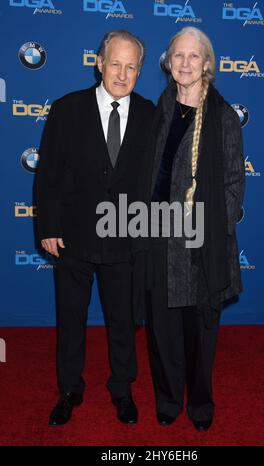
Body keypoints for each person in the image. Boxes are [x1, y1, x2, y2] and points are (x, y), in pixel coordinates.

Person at [35, 30, 155, 426]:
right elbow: (48, 172)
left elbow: (154, 183)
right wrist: (48, 226)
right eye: (115, 63)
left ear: (140, 71)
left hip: (126, 239)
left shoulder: (150, 115)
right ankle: (69, 390)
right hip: (73, 236)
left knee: (123, 322)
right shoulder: (67, 109)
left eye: (131, 66)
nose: (122, 74)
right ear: (99, 63)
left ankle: (123, 389)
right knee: (71, 320)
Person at [146, 27, 245, 431]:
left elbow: (234, 185)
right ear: (169, 64)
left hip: (201, 242)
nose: (185, 64)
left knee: (200, 332)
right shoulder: (159, 108)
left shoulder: (222, 116)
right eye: (178, 56)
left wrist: (200, 228)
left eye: (193, 56)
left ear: (208, 63)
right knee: (163, 329)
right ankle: (168, 401)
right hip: (157, 237)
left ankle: (200, 406)